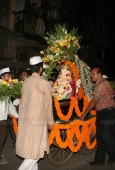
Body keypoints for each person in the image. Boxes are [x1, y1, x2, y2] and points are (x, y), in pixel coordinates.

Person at [16, 56, 54, 170]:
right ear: (41, 69)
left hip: (25, 120)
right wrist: (50, 122)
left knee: (31, 150)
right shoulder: (44, 83)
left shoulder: (25, 82)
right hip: (38, 121)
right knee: (36, 152)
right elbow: (48, 105)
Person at [80, 67, 115, 166]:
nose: (91, 76)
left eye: (93, 74)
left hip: (108, 113)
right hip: (102, 113)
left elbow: (94, 101)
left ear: (100, 74)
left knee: (107, 137)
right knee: (100, 137)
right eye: (91, 74)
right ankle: (99, 160)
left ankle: (113, 157)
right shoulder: (99, 83)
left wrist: (84, 113)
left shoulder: (102, 84)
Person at [0, 67, 18, 164]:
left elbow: (9, 105)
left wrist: (16, 115)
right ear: (2, 77)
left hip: (2, 118)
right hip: (1, 119)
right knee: (2, 138)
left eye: (10, 75)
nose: (10, 77)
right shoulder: (3, 87)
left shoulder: (6, 88)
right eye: (8, 75)